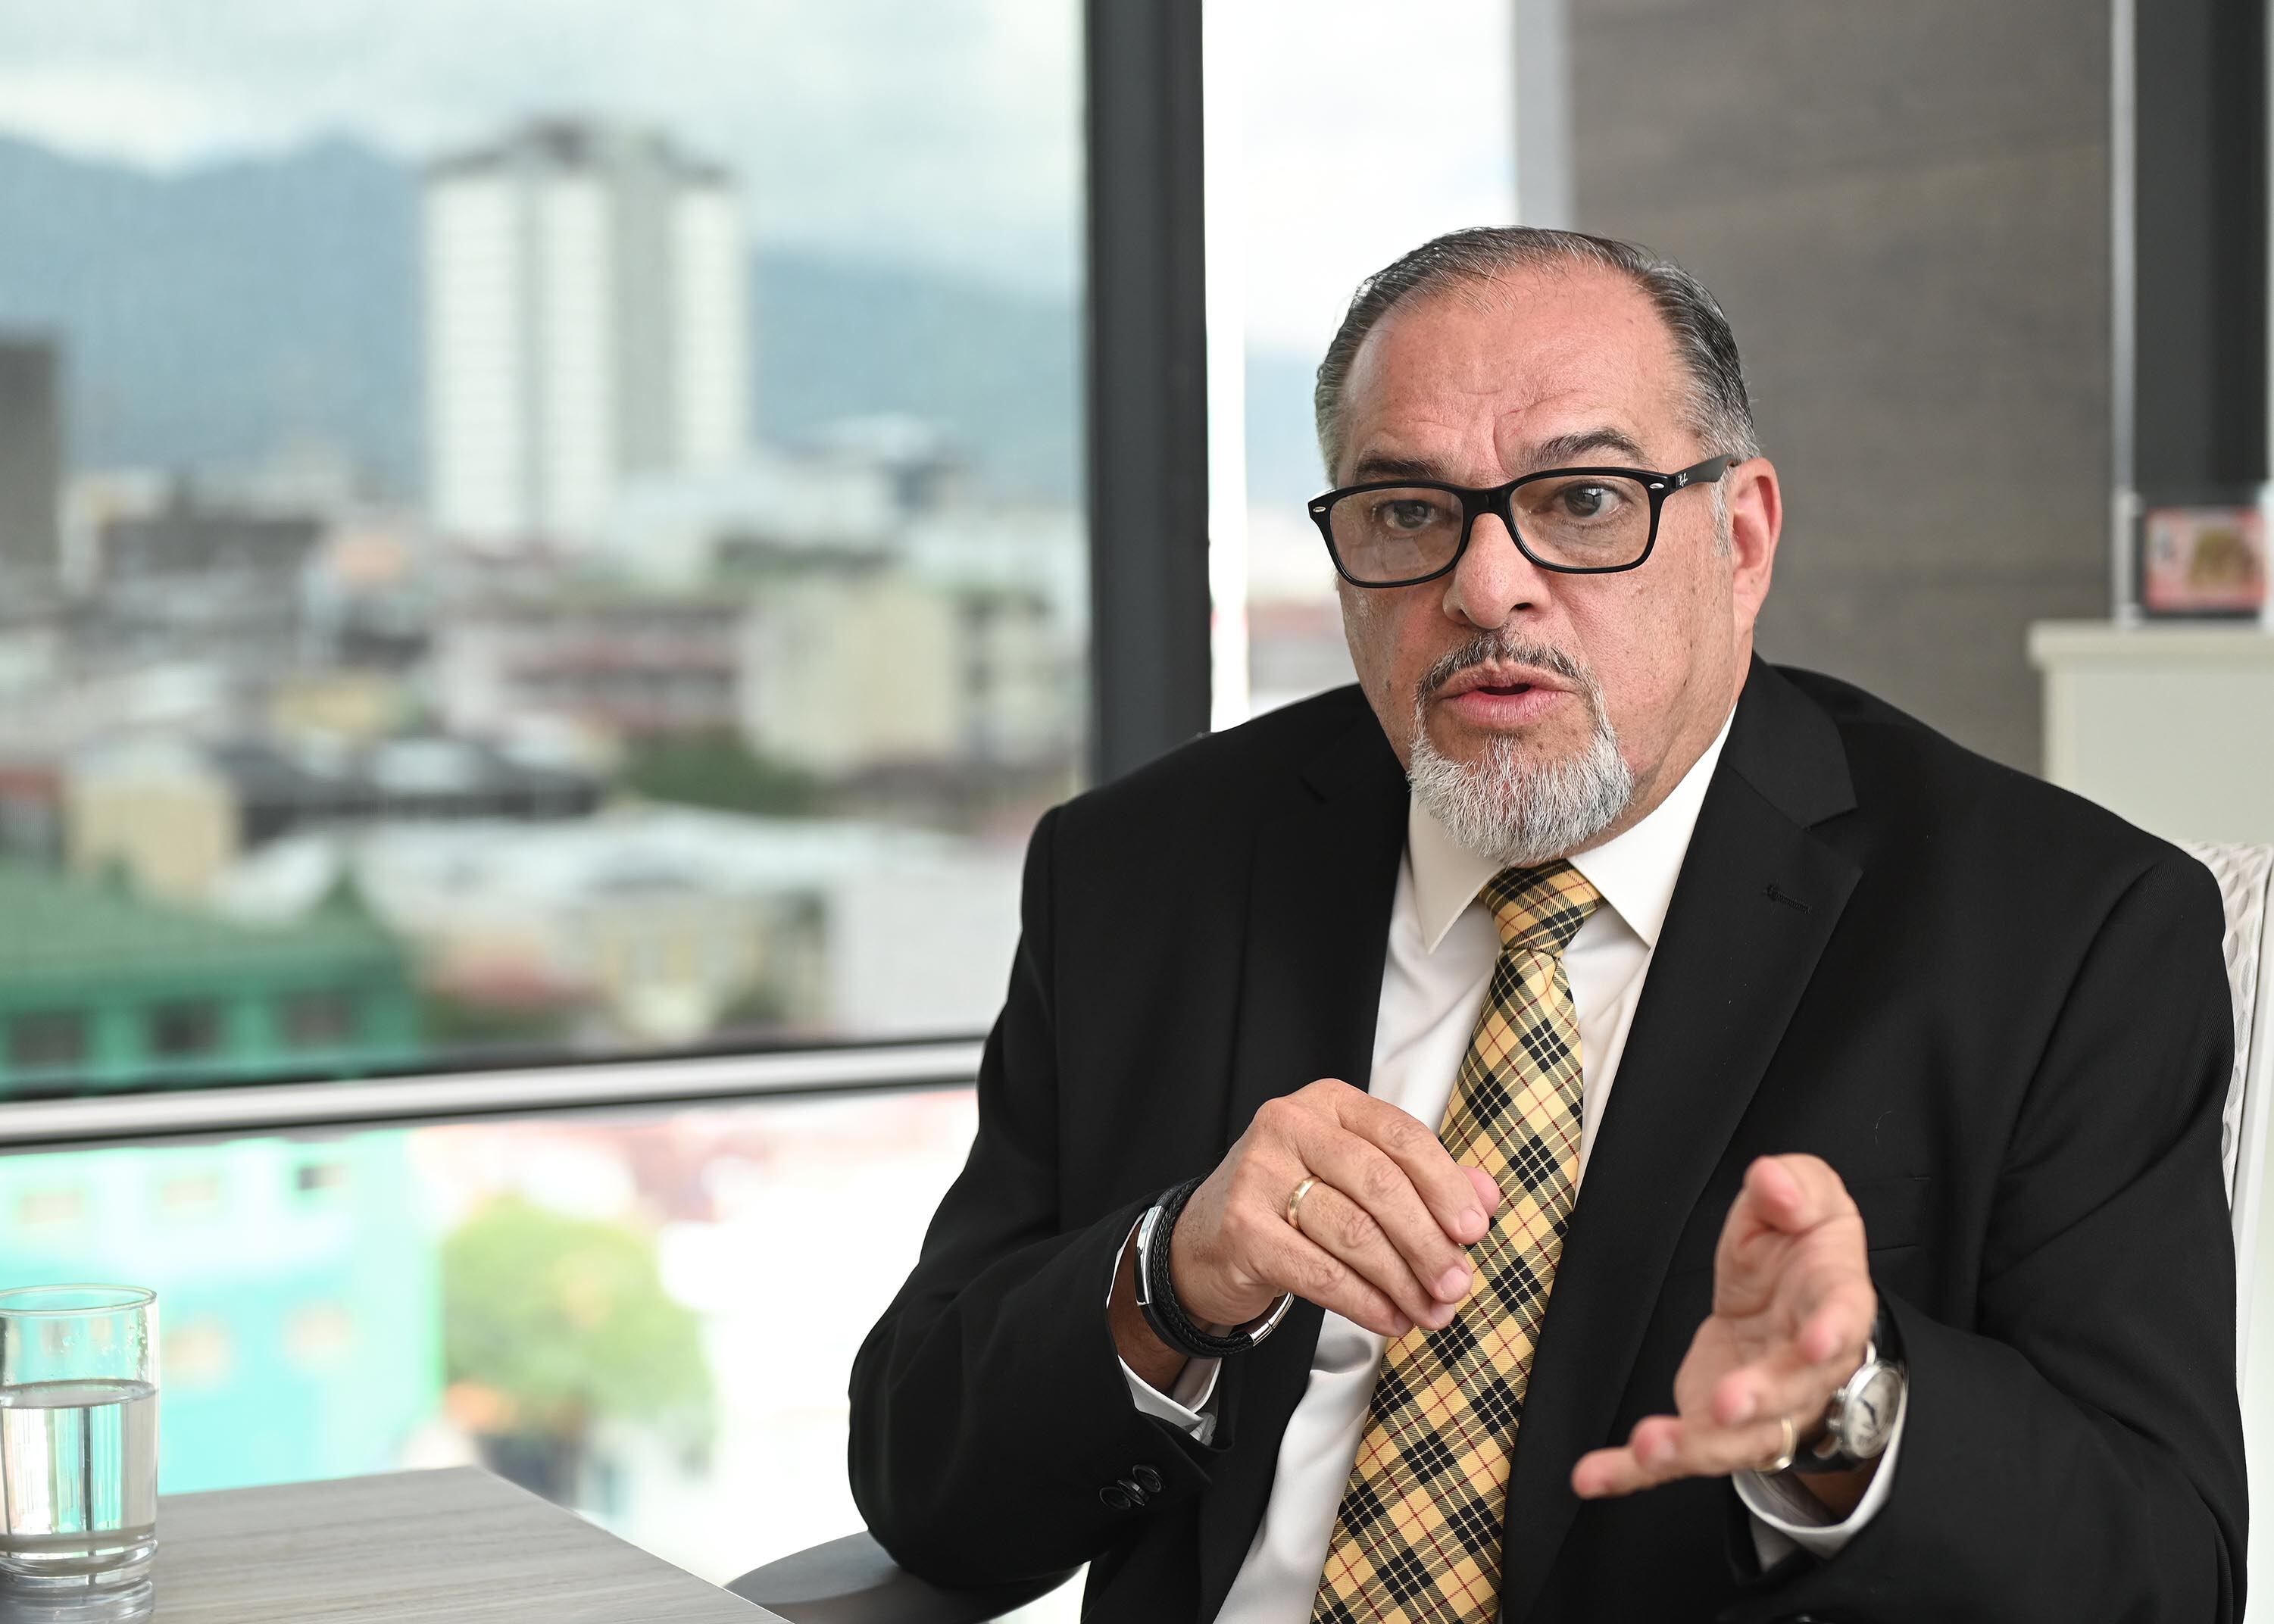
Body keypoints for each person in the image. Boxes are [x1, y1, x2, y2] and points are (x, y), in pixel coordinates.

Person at [848, 226, 2247, 1622]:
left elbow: (2164, 1570)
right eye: (1405, 511)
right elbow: (927, 1486)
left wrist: (1845, 1425)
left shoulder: (2065, 933)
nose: (1484, 585)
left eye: (1582, 500)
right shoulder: (1142, 871)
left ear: (1741, 537)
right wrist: (1173, 1280)